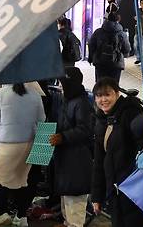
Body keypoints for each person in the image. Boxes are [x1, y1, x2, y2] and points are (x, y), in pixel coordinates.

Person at [90, 78, 143, 226]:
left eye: (107, 95)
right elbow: (99, 162)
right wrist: (96, 197)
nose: (103, 100)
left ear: (117, 94)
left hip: (134, 190)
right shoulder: (101, 121)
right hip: (114, 191)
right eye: (98, 96)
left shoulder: (131, 114)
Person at [0, 84, 45, 227]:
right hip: (29, 143)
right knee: (23, 181)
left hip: (6, 145)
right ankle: (22, 217)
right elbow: (42, 119)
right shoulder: (35, 94)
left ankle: (3, 213)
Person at [49, 68, 93, 227]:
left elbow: (85, 130)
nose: (59, 86)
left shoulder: (81, 103)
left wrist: (63, 137)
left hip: (77, 163)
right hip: (66, 162)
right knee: (67, 208)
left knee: (75, 212)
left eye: (62, 83)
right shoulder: (67, 100)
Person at [88, 12, 130, 83]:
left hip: (100, 62)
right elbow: (127, 49)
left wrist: (91, 58)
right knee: (114, 86)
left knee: (100, 85)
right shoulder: (122, 34)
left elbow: (91, 45)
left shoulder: (98, 32)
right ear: (118, 20)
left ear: (107, 19)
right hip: (116, 63)